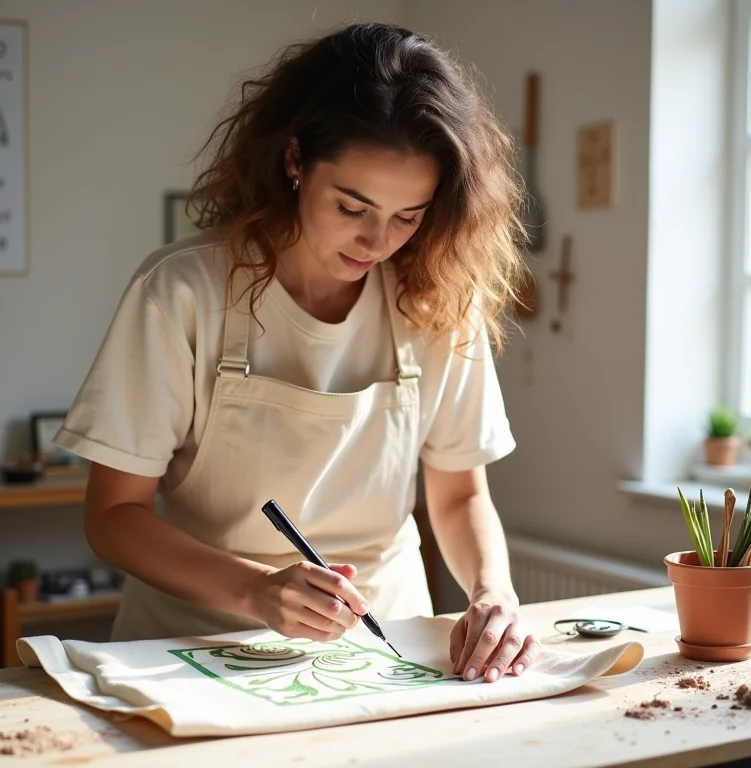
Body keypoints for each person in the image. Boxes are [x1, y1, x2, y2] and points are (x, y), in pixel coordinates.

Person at [54, 22, 539, 684]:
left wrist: (493, 593)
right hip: (191, 653)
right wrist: (254, 590)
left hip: (383, 651)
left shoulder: (436, 298)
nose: (377, 241)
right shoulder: (182, 290)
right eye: (352, 205)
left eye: (408, 216)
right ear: (294, 160)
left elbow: (457, 494)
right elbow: (113, 517)